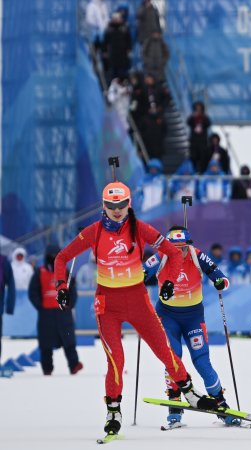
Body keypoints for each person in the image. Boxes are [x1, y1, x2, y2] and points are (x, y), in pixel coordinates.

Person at [53, 180, 221, 436]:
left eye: (121, 204)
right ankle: (113, 411)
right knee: (116, 361)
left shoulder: (140, 228)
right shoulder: (94, 231)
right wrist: (61, 285)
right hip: (108, 306)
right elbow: (62, 257)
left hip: (138, 302)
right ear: (103, 205)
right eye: (111, 205)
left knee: (165, 351)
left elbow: (174, 253)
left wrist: (170, 282)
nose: (116, 210)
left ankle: (189, 393)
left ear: (129, 204)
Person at [143, 226, 237, 427]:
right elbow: (140, 275)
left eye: (183, 248)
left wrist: (220, 282)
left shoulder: (196, 255)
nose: (179, 252)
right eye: (173, 248)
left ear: (189, 246)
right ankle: (175, 404)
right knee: (173, 358)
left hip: (193, 318)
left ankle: (220, 403)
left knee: (202, 362)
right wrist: (138, 281)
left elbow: (221, 277)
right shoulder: (160, 256)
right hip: (167, 317)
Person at [28, 245, 83, 376]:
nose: (53, 259)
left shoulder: (65, 272)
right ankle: (47, 368)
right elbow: (33, 292)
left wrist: (69, 305)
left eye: (56, 256)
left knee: (69, 341)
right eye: (51, 256)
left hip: (63, 313)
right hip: (46, 314)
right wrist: (40, 306)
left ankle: (74, 365)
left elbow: (73, 291)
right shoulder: (39, 272)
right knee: (45, 343)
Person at [102, 12, 132, 84]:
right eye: (115, 19)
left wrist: (129, 49)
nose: (116, 20)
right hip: (113, 55)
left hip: (123, 55)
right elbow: (105, 41)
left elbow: (128, 40)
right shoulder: (109, 29)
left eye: (118, 19)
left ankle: (123, 85)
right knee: (112, 73)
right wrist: (105, 51)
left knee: (123, 73)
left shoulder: (124, 28)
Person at [187, 102, 212, 174]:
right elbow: (188, 122)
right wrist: (193, 116)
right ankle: (194, 170)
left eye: (199, 108)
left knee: (202, 156)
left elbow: (208, 124)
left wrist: (203, 117)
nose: (198, 109)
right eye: (197, 108)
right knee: (193, 156)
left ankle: (202, 171)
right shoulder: (192, 117)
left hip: (202, 141)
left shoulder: (204, 117)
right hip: (194, 141)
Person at [0, 255, 15, 362]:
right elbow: (11, 284)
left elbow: (11, 284)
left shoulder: (3, 261)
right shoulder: (3, 261)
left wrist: (10, 306)